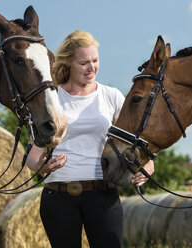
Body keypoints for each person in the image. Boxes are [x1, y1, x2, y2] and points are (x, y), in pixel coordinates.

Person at [26, 30, 154, 248]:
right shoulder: (52, 97)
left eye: (95, 60)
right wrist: (40, 166)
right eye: (84, 62)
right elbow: (33, 153)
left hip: (103, 195)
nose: (91, 67)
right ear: (68, 63)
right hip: (58, 198)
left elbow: (137, 140)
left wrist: (148, 165)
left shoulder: (111, 96)